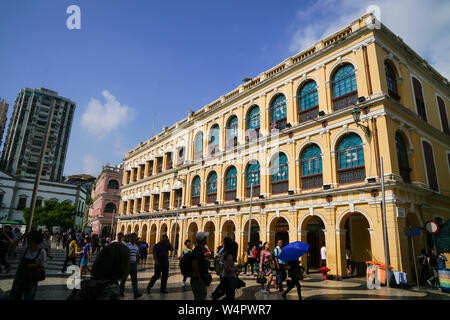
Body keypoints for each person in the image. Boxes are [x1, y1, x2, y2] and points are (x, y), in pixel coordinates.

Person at [9, 230, 47, 300]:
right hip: (20, 277)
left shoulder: (42, 252)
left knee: (29, 297)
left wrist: (35, 266)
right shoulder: (25, 249)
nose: (27, 239)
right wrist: (20, 238)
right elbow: (12, 247)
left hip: (32, 279)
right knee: (16, 295)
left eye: (29, 238)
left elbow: (43, 265)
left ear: (34, 240)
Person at [120, 233, 142, 299]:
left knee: (134, 280)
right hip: (127, 264)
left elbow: (137, 255)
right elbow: (123, 255)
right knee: (124, 279)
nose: (133, 238)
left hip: (134, 264)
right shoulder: (126, 245)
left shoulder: (136, 246)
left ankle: (136, 293)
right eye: (132, 237)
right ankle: (121, 292)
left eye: (135, 237)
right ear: (129, 238)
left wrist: (137, 261)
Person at [191, 232, 212, 300]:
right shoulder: (198, 249)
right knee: (200, 296)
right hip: (197, 279)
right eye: (205, 238)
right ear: (203, 240)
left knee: (201, 295)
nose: (206, 240)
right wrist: (199, 278)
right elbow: (195, 264)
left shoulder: (200, 249)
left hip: (198, 278)